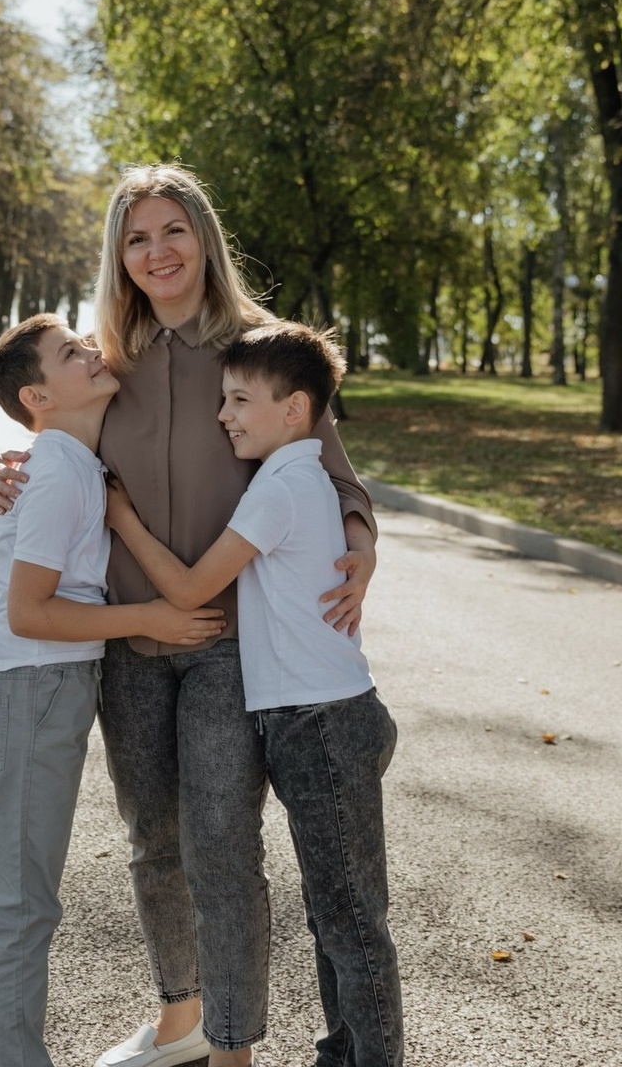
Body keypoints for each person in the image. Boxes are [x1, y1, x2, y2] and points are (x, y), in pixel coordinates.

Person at [0, 165, 376, 1067]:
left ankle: (232, 1047)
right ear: (119, 258)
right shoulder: (104, 365)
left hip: (229, 643)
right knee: (152, 841)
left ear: (204, 239)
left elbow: (339, 476)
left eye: (172, 231)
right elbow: (41, 450)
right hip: (129, 642)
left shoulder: (256, 353)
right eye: (136, 237)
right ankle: (181, 1020)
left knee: (222, 846)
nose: (156, 252)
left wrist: (363, 544)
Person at [104, 321, 402, 1067]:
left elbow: (190, 588)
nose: (224, 415)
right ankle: (342, 1054)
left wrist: (124, 521)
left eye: (239, 400)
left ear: (296, 410)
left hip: (322, 726)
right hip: (309, 722)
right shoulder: (289, 479)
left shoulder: (284, 486)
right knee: (332, 914)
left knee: (352, 922)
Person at [0, 314, 225, 1067]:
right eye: (72, 353)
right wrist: (153, 616)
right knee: (25, 902)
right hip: (31, 690)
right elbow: (29, 610)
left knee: (15, 891)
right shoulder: (63, 467)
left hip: (39, 688)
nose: (93, 352)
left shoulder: (66, 456)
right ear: (38, 395)